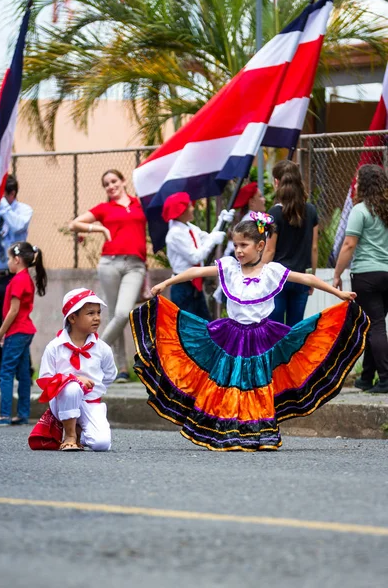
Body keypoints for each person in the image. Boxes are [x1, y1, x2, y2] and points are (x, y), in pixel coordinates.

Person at [130, 212, 368, 452]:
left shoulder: (272, 271)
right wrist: (166, 283)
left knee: (258, 384)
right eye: (235, 245)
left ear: (260, 245)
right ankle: (226, 428)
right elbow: (196, 272)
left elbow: (306, 278)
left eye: (244, 245)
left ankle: (260, 431)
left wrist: (339, 294)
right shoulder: (230, 268)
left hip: (261, 337)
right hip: (231, 336)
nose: (238, 250)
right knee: (228, 382)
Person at [69, 169, 146, 383]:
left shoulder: (140, 203)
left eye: (114, 181)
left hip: (135, 265)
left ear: (123, 181)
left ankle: (90, 353)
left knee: (123, 314)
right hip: (109, 263)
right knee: (114, 316)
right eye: (106, 184)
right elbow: (74, 224)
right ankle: (121, 369)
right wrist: (100, 230)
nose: (111, 186)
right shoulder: (104, 208)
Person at [28, 288, 117, 451]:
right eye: (90, 313)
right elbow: (45, 380)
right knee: (72, 389)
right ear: (72, 317)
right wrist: (73, 380)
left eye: (98, 312)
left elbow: (110, 375)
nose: (97, 318)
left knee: (101, 444)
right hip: (63, 401)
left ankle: (82, 431)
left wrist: (93, 390)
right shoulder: (55, 347)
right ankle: (69, 436)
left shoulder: (102, 348)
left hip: (90, 403)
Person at [333, 164, 388, 394]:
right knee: (372, 324)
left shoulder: (360, 210)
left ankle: (385, 378)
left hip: (366, 275)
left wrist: (336, 274)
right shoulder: (385, 210)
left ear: (362, 185)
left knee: (374, 325)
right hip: (387, 274)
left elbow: (349, 244)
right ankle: (366, 378)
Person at [0, 242, 47, 425]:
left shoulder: (18, 280)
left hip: (18, 331)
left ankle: (5, 415)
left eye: (9, 260)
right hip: (24, 331)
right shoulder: (25, 278)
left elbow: (13, 311)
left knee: (6, 373)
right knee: (22, 373)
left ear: (17, 259)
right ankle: (22, 414)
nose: (8, 265)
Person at [0, 175, 33, 390]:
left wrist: (2, 206)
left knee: (17, 322)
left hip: (14, 276)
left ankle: (24, 372)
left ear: (11, 194)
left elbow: (17, 226)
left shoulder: (22, 210)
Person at [262, 161, 318, 326]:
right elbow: (314, 247)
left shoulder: (274, 213)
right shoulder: (311, 210)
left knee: (275, 328)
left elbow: (270, 250)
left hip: (277, 278)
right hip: (301, 277)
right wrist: (311, 276)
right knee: (295, 328)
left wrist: (256, 274)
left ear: (277, 182)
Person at [162, 191, 234, 320]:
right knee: (188, 327)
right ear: (181, 211)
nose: (192, 208)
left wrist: (220, 223)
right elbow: (195, 256)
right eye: (189, 206)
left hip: (195, 283)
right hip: (183, 285)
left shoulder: (189, 227)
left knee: (204, 324)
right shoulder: (175, 234)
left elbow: (206, 238)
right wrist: (213, 239)